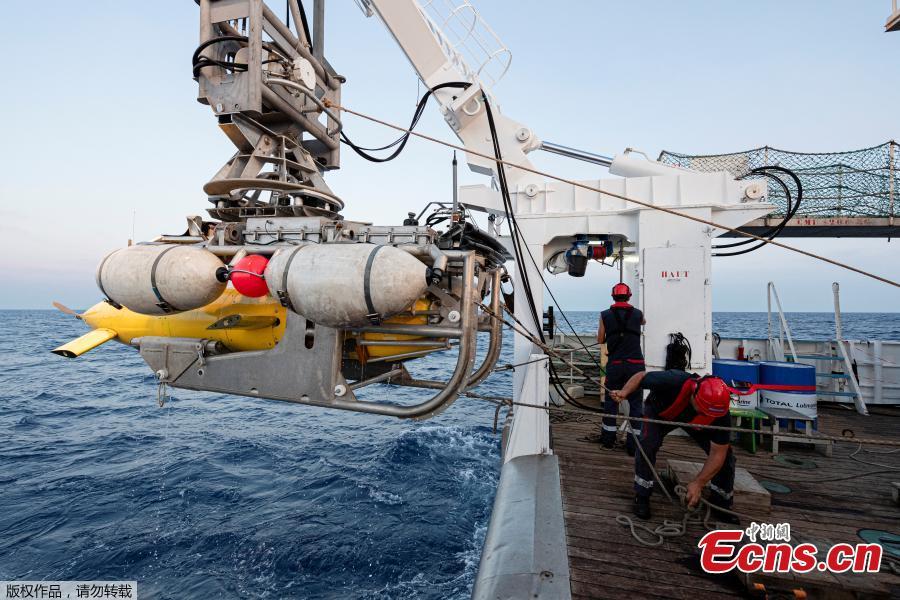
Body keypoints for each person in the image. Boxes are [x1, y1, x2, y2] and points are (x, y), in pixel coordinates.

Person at [610, 370, 737, 522]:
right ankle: (642, 495)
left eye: (710, 413)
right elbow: (641, 376)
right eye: (704, 410)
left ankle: (721, 502)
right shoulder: (674, 381)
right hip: (660, 412)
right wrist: (624, 392)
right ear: (694, 396)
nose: (708, 414)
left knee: (727, 457)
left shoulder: (719, 413)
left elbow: (718, 453)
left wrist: (698, 483)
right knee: (647, 445)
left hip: (695, 423)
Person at [597, 282, 645, 453]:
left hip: (616, 364)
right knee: (636, 404)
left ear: (612, 296)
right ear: (629, 296)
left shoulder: (605, 315)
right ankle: (634, 446)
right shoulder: (638, 314)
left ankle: (608, 440)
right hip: (636, 367)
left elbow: (600, 339)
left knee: (611, 402)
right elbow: (643, 321)